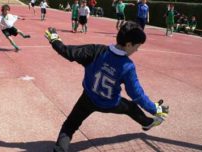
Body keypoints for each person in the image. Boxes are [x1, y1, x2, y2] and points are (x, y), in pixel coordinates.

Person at [45, 21, 169, 152]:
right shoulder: (127, 66)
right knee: (131, 107)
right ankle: (147, 122)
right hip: (110, 103)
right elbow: (137, 94)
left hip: (88, 98)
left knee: (70, 125)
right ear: (128, 44)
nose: (137, 50)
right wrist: (154, 109)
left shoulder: (95, 51)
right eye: (136, 47)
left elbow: (68, 52)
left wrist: (54, 40)